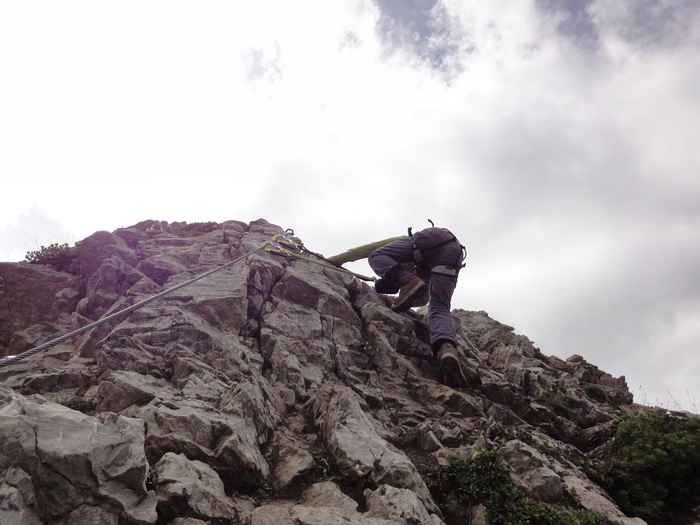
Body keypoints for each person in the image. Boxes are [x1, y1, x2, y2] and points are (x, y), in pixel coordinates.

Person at [366, 225, 469, 388]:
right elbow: (422, 298)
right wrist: (399, 295)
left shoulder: (404, 243)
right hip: (453, 254)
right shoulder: (422, 276)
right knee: (440, 307)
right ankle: (447, 350)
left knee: (376, 255)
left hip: (430, 241)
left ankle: (404, 280)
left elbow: (370, 250)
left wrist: (335, 260)